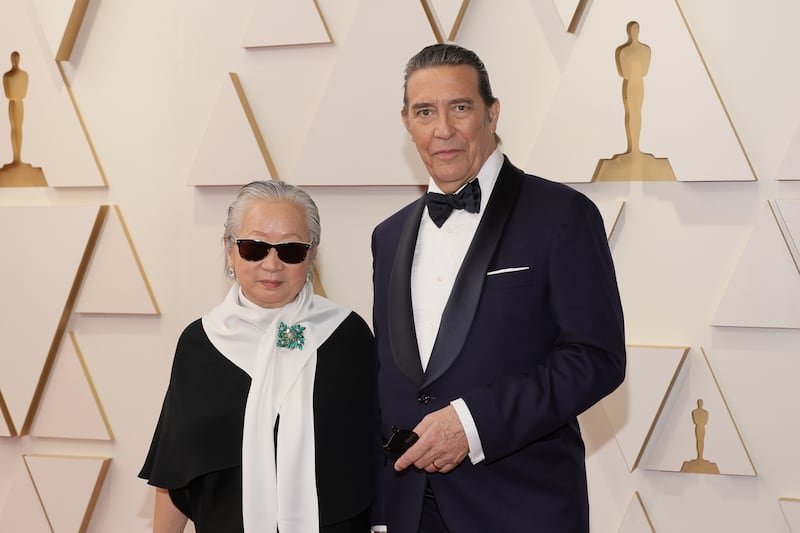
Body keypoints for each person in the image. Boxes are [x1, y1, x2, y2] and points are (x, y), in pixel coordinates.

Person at [371, 44, 626, 532]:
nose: (442, 129)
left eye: (459, 108)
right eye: (425, 112)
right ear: (407, 123)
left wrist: (471, 424)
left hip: (521, 508)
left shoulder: (561, 215)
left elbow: (596, 358)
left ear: (492, 113)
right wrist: (382, 512)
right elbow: (390, 376)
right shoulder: (387, 236)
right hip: (409, 511)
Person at [140, 180, 377, 533]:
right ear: (229, 250)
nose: (272, 263)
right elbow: (174, 471)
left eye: (291, 250)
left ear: (311, 255)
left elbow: (378, 461)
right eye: (254, 247)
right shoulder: (200, 343)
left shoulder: (347, 336)